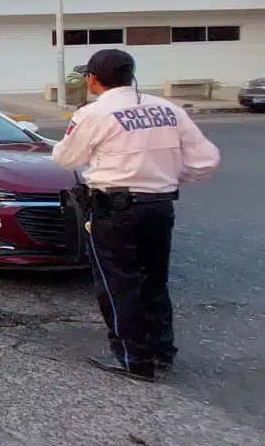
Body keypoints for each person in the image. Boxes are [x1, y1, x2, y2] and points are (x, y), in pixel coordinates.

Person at [51, 49, 221, 381]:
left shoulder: (94, 113)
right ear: (131, 75)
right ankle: (161, 351)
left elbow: (66, 158)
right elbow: (206, 160)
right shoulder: (167, 108)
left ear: (93, 78)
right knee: (154, 280)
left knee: (118, 285)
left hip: (115, 212)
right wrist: (165, 177)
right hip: (159, 206)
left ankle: (134, 359)